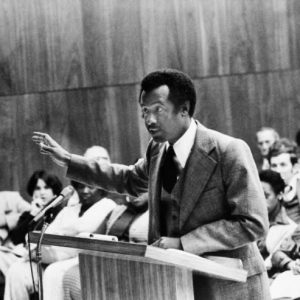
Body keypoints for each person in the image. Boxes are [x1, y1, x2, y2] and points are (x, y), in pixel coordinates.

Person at [32, 69, 270, 299]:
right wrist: (68, 160)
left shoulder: (228, 151)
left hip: (231, 286)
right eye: (144, 111)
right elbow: (127, 180)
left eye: (158, 110)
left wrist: (183, 243)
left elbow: (253, 223)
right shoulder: (157, 149)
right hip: (176, 284)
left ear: (184, 109)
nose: (149, 120)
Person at [4, 146, 117, 300]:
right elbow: (48, 233)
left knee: (53, 272)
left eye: (90, 186)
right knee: (16, 270)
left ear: (100, 187)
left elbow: (85, 234)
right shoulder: (70, 209)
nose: (84, 191)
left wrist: (60, 239)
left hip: (79, 260)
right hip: (50, 256)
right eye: (80, 186)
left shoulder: (108, 206)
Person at [0, 170, 62, 299]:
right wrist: (33, 214)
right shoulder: (29, 213)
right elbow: (16, 238)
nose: (42, 192)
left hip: (45, 258)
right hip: (24, 254)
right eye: (37, 188)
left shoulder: (59, 211)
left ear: (55, 192)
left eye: (46, 187)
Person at [268, 138, 300, 223]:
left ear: (295, 167)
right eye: (274, 166)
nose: (278, 171)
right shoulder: (269, 189)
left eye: (283, 165)